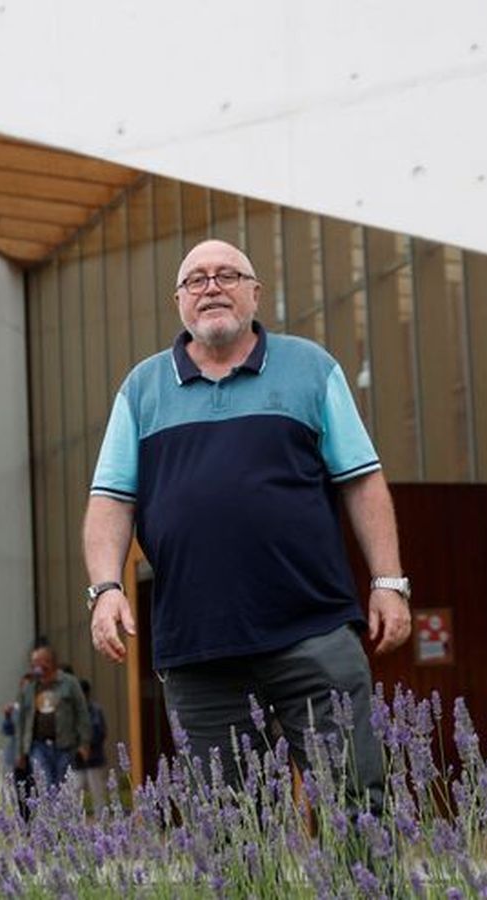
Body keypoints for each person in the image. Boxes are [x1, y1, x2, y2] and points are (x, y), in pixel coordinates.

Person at [83, 239, 412, 812]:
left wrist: (389, 583)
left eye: (227, 275)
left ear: (255, 293)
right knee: (233, 832)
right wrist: (106, 588)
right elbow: (110, 499)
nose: (211, 286)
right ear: (178, 302)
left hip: (313, 632)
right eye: (196, 280)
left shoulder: (311, 368)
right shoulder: (141, 388)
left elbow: (362, 481)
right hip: (198, 649)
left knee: (357, 806)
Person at [16, 646, 91, 792]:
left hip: (65, 745)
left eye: (38, 662)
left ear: (50, 662)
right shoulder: (30, 687)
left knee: (62, 786)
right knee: (45, 785)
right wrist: (20, 752)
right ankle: (49, 814)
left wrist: (84, 743)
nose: (34, 667)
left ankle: (61, 815)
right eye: (33, 663)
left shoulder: (69, 683)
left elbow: (82, 713)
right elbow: (21, 721)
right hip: (37, 745)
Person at [77, 679, 109, 813]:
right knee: (75, 789)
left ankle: (101, 819)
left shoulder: (95, 710)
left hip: (94, 757)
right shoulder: (73, 710)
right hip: (76, 759)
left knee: (97, 792)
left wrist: (87, 744)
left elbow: (100, 731)